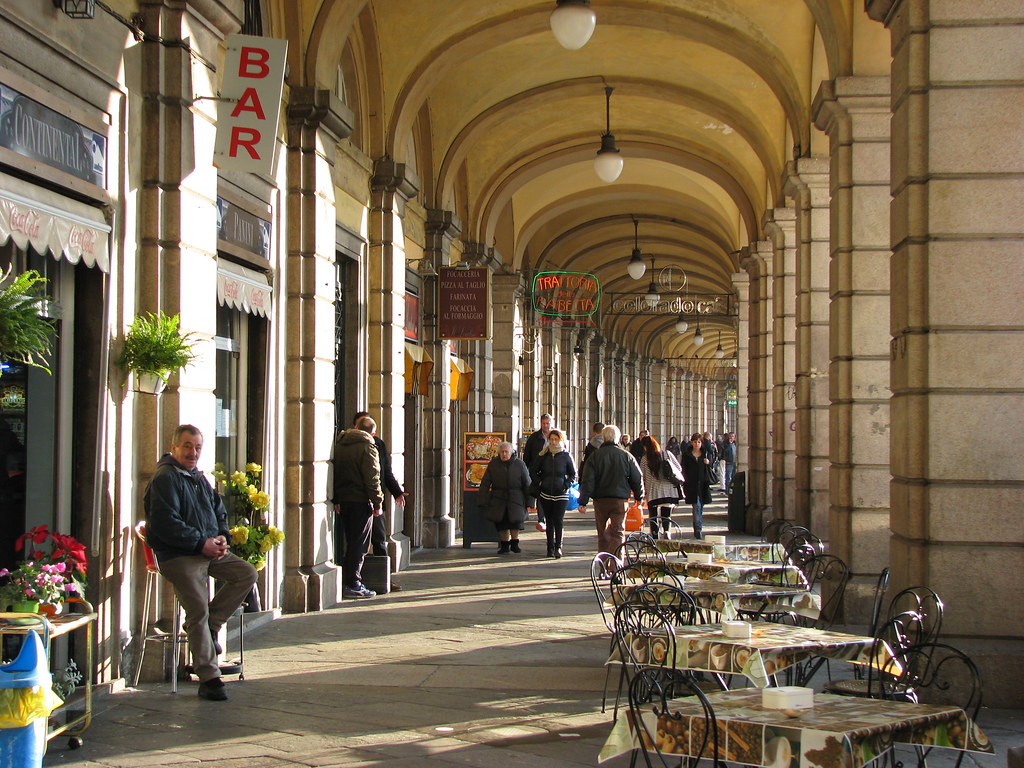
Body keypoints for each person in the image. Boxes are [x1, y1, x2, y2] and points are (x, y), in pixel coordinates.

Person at [144, 424, 258, 701]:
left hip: (207, 550)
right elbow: (165, 524)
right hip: (179, 555)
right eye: (187, 446)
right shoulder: (165, 478)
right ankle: (209, 678)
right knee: (197, 609)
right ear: (174, 448)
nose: (193, 453)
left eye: (197, 448)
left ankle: (212, 626)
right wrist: (200, 543)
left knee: (246, 573)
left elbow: (218, 512)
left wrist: (221, 538)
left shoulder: (198, 478)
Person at [331, 415, 384, 599]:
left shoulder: (340, 444)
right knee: (360, 544)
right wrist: (377, 502)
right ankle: (353, 582)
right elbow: (372, 477)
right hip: (361, 501)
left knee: (350, 541)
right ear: (372, 433)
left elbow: (335, 472)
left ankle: (348, 580)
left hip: (343, 499)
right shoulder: (367, 447)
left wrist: (336, 498)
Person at [577, 425, 644, 555]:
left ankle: (603, 562)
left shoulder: (595, 456)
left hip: (600, 500)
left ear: (604, 438)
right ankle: (617, 563)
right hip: (620, 499)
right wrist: (639, 496)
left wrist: (583, 501)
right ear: (618, 438)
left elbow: (587, 480)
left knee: (602, 533)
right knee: (618, 532)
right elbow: (637, 477)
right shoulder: (626, 456)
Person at [351, 411, 407, 558]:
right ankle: (356, 572)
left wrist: (397, 491)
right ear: (355, 426)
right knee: (357, 542)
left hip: (375, 499)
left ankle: (382, 571)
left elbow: (385, 471)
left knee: (379, 538)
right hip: (357, 499)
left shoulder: (378, 444)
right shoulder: (347, 445)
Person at [477, 441, 531, 554]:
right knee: (501, 523)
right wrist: (482, 499)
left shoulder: (520, 464)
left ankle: (515, 543)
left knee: (515, 522)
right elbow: (485, 483)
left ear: (511, 452)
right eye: (502, 452)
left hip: (516, 497)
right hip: (498, 498)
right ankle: (504, 545)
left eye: (506, 452)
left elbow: (527, 483)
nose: (504, 454)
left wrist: (530, 501)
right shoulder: (493, 464)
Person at [530, 429, 576, 558]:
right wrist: (540, 482)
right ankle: (550, 547)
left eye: (556, 439)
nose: (553, 442)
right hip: (546, 493)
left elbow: (573, 474)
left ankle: (558, 547)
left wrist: (565, 485)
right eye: (551, 439)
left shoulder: (566, 456)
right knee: (549, 521)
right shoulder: (543, 455)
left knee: (558, 521)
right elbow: (533, 471)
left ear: (561, 440)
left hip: (561, 494)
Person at [636, 434, 683, 538]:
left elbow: (642, 475)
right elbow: (678, 468)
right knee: (666, 513)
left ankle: (655, 535)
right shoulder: (666, 454)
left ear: (645, 447)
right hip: (668, 489)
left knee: (653, 514)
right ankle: (667, 532)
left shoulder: (645, 459)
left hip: (653, 490)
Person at [522, 413, 553, 531]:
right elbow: (527, 455)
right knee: (540, 495)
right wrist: (526, 469)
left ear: (551, 423)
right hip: (537, 471)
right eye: (544, 423)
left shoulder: (555, 436)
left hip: (552, 470)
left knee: (550, 495)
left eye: (548, 423)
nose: (546, 426)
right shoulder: (534, 437)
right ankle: (541, 519)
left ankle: (549, 518)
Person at [681, 433, 713, 539]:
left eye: (699, 442)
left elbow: (711, 464)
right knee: (696, 506)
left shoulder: (705, 454)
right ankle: (698, 529)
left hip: (703, 484)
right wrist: (685, 481)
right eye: (695, 442)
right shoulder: (687, 455)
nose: (697, 444)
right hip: (691, 484)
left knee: (700, 506)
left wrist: (708, 463)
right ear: (691, 443)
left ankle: (698, 525)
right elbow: (683, 468)